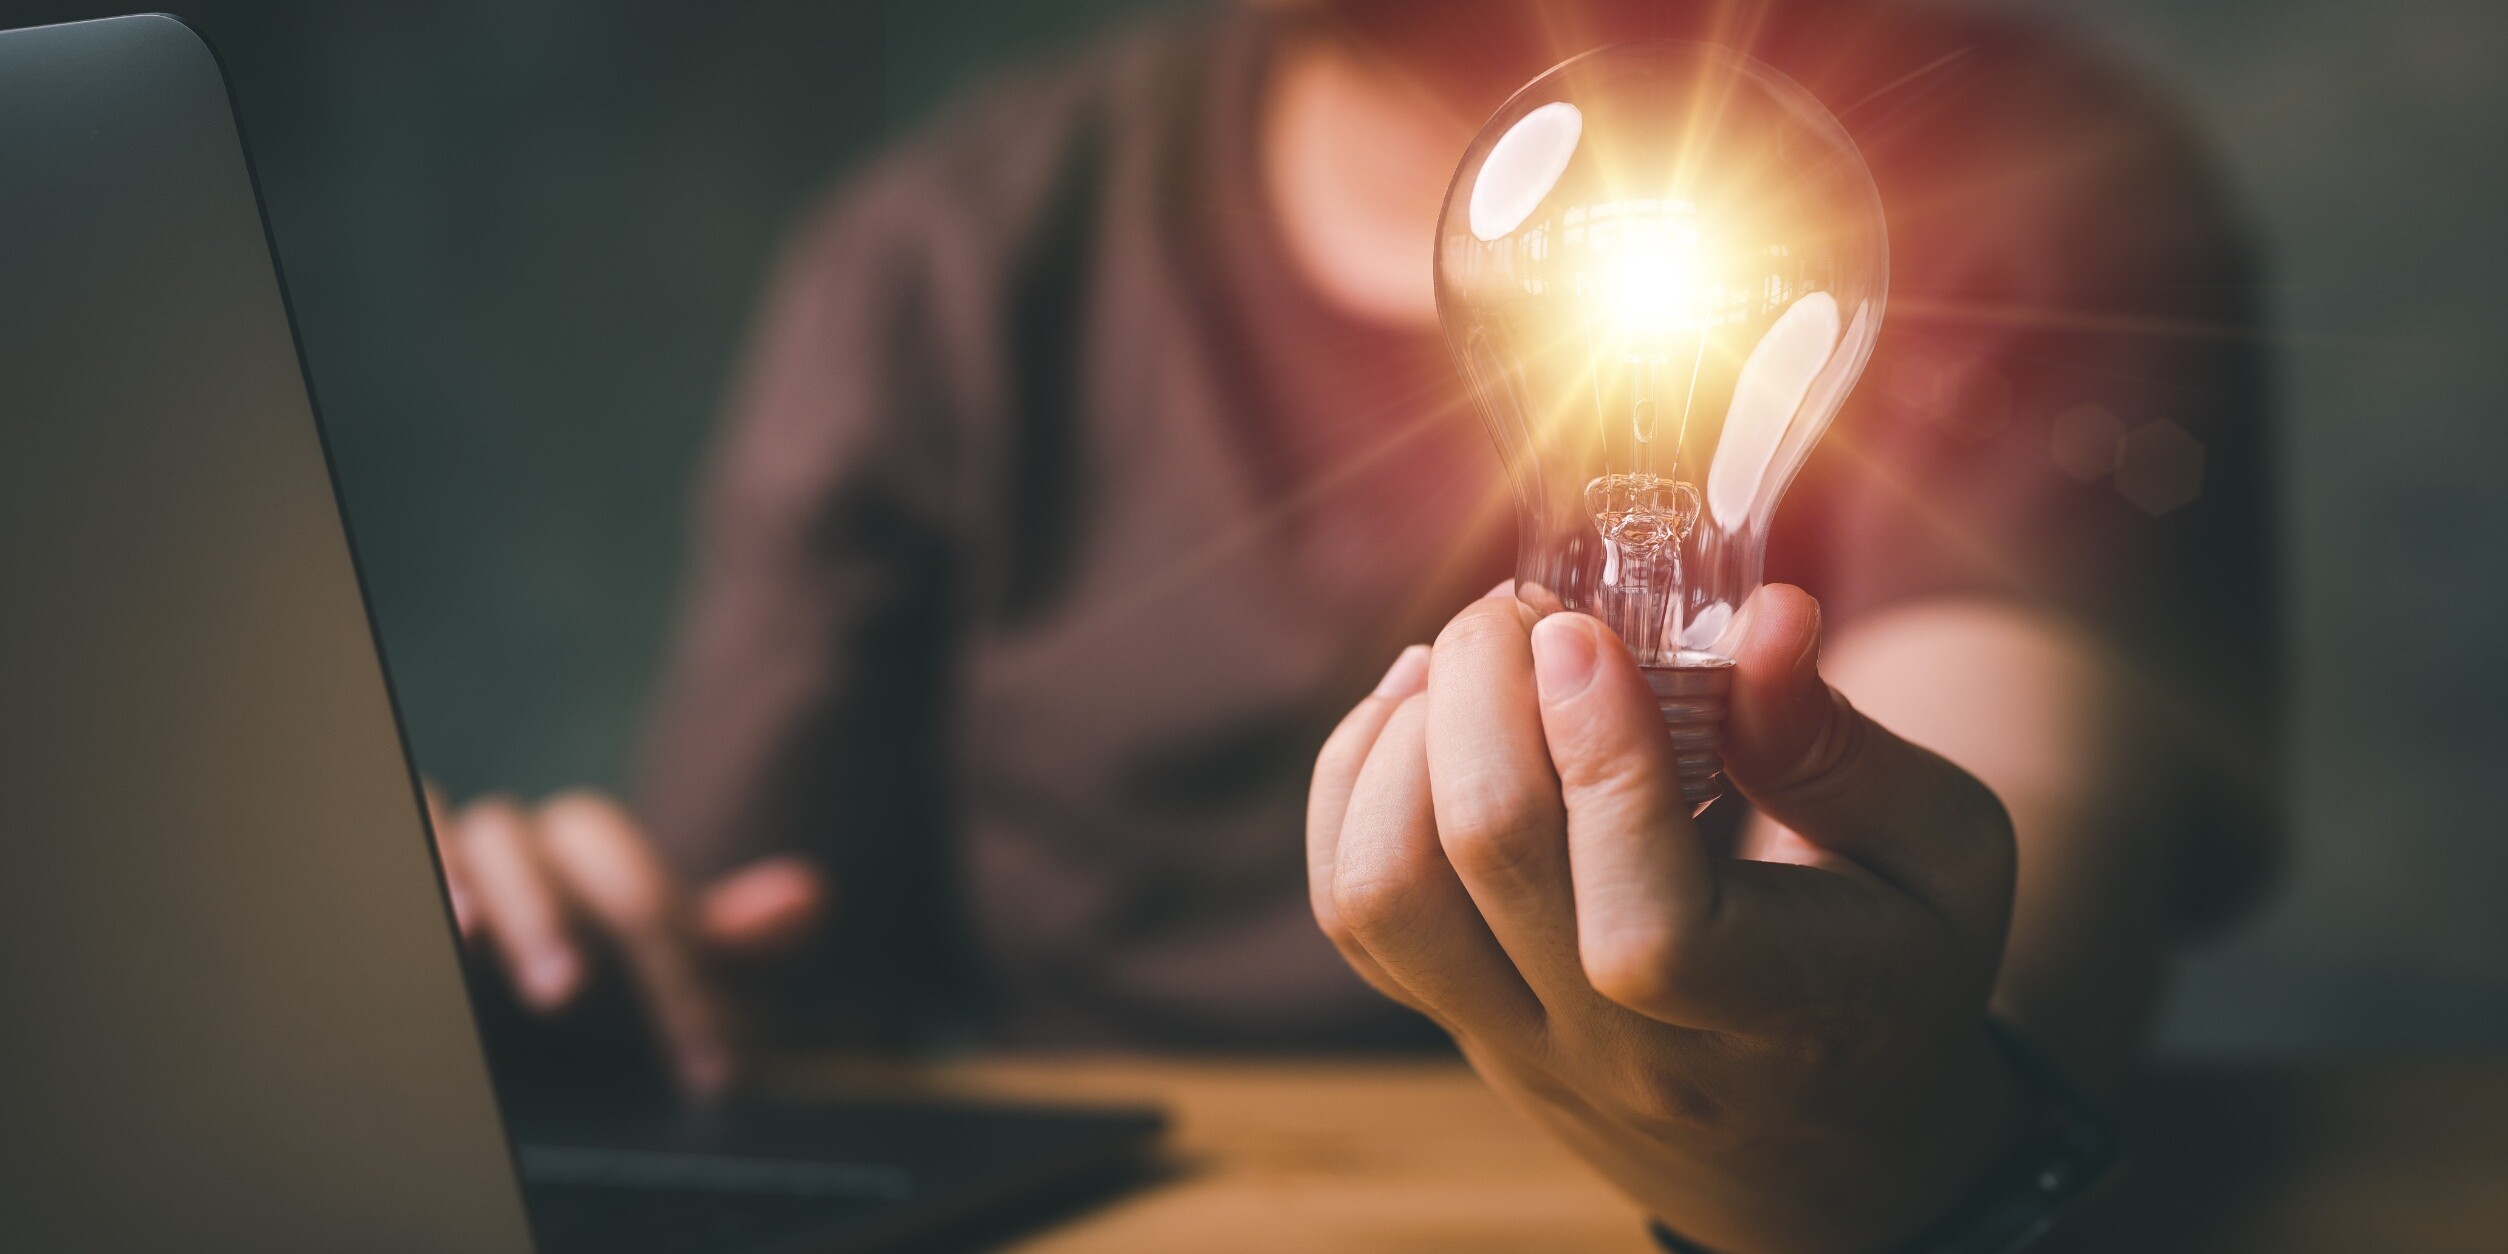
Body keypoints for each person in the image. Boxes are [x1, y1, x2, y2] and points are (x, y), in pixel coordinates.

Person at [430, 0, 2278, 1243]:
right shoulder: (954, 257)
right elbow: (762, 952)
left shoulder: (2022, 182)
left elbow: (2012, 846)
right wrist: (546, 976)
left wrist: (1857, 1087)